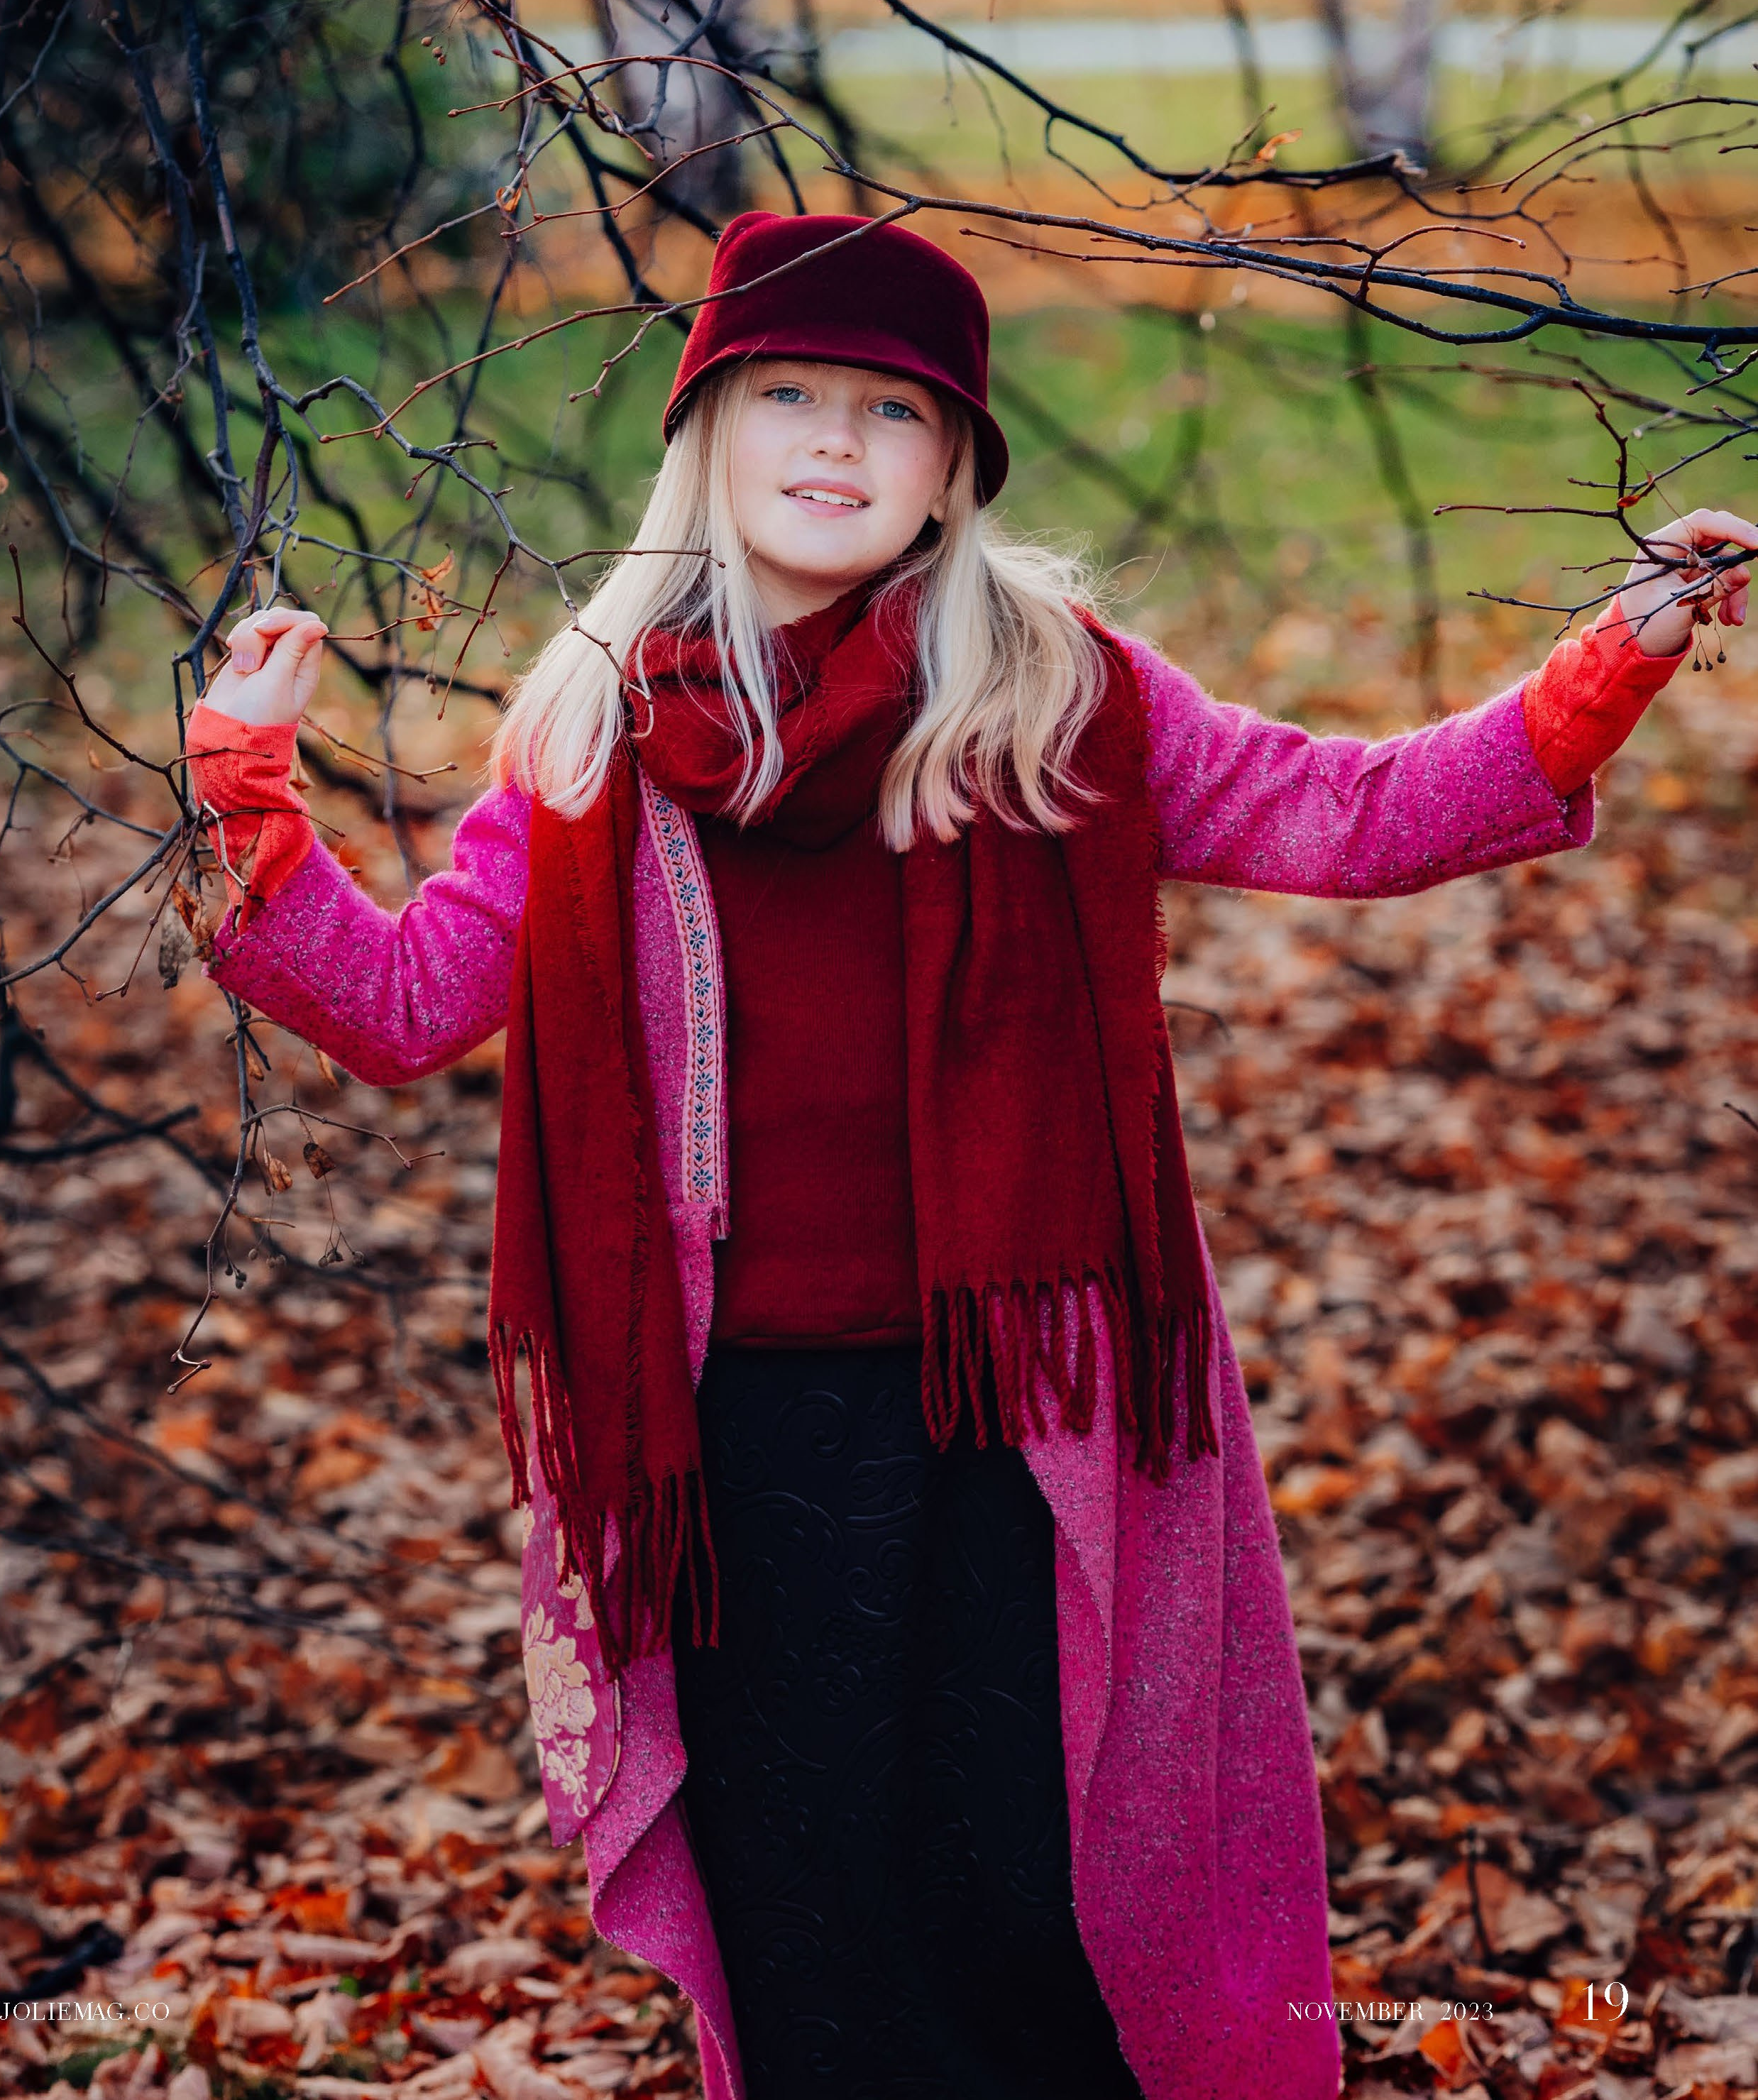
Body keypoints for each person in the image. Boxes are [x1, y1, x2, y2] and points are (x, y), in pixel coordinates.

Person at [183, 211, 1750, 2100]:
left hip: (1018, 1416)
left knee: (1026, 1875)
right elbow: (411, 995)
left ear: (952, 469)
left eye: (891, 413)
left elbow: (1351, 809)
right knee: (807, 1893)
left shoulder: (1050, 700)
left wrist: (1611, 664)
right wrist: (255, 802)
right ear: (709, 435)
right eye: (786, 399)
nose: (833, 444)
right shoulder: (592, 736)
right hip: (730, 1428)